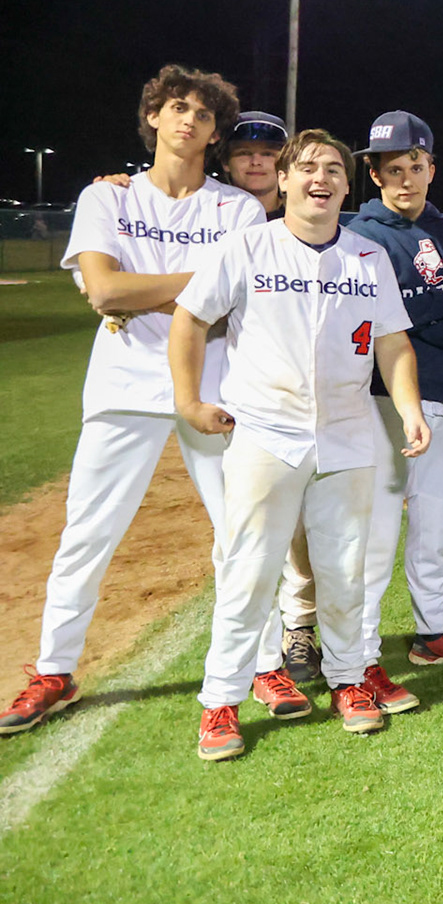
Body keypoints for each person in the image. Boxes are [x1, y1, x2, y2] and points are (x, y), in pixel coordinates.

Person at [4, 66, 269, 737]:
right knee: (87, 533)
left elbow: (231, 299)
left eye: (204, 114)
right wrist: (201, 284)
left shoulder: (237, 208)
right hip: (122, 385)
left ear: (215, 132)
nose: (189, 121)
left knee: (241, 532)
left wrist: (144, 288)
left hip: (212, 385)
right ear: (154, 116)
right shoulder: (107, 197)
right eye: (178, 107)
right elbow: (104, 292)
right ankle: (54, 670)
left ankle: (265, 664)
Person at [171, 129, 427, 760]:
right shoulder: (248, 246)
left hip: (347, 433)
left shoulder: (368, 256)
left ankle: (347, 680)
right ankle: (221, 702)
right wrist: (188, 400)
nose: (321, 178)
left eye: (333, 169)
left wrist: (409, 409)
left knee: (345, 569)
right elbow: (190, 318)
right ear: (283, 180)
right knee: (248, 570)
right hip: (266, 433)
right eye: (307, 167)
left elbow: (392, 341)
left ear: (346, 184)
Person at [317, 112, 443, 675]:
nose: (405, 180)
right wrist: (440, 310)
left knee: (434, 526)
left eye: (415, 167)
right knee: (374, 535)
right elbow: (375, 324)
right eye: (392, 169)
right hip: (378, 399)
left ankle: (432, 630)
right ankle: (362, 649)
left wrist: (413, 314)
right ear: (373, 175)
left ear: (431, 169)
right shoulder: (358, 238)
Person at [222, 111, 289, 217]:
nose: (256, 162)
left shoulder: (302, 219)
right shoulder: (209, 217)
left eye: (267, 154)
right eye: (244, 153)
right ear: (225, 162)